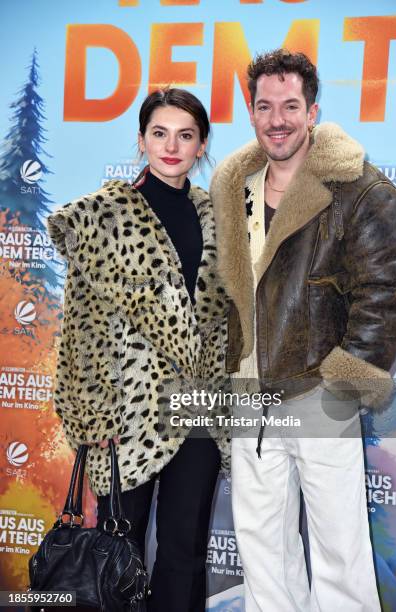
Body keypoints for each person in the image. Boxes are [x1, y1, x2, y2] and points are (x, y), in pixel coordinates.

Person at [210, 49, 396, 611]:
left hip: (321, 395)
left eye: (291, 106)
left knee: (339, 550)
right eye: (265, 106)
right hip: (252, 394)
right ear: (251, 113)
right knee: (262, 548)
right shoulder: (235, 188)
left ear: (312, 111)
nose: (278, 119)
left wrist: (343, 382)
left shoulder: (359, 190)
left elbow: (389, 290)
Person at [48, 88, 229, 612]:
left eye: (185, 135)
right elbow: (80, 329)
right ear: (142, 139)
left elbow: (224, 326)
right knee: (118, 555)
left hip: (196, 407)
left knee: (185, 551)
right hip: (126, 414)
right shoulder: (101, 218)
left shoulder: (219, 219)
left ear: (201, 146)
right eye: (160, 132)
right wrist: (90, 415)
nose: (171, 146)